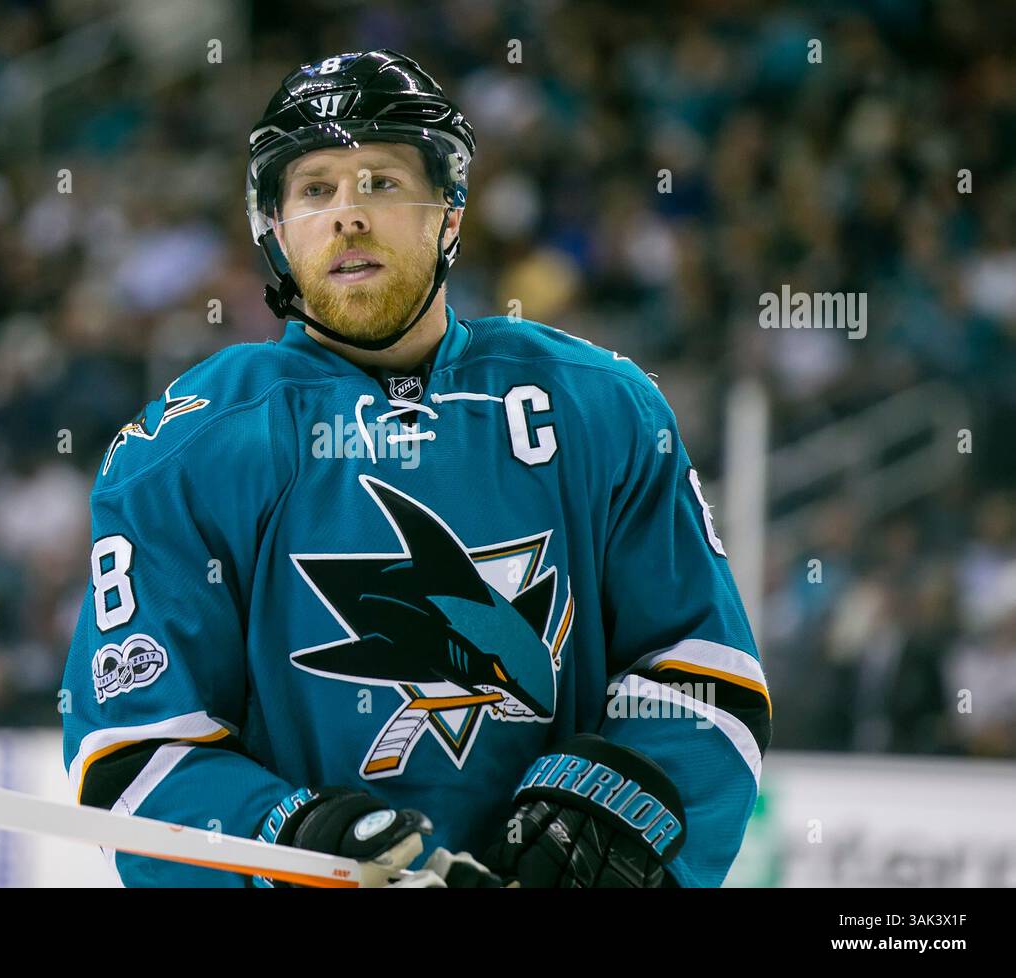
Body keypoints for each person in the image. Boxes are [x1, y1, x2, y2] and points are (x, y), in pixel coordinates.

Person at [59, 49, 771, 888]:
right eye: (315, 189)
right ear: (279, 230)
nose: (347, 215)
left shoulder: (601, 408)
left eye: (382, 183)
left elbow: (705, 679)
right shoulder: (189, 448)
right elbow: (133, 754)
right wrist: (287, 836)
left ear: (450, 212)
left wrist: (613, 814)